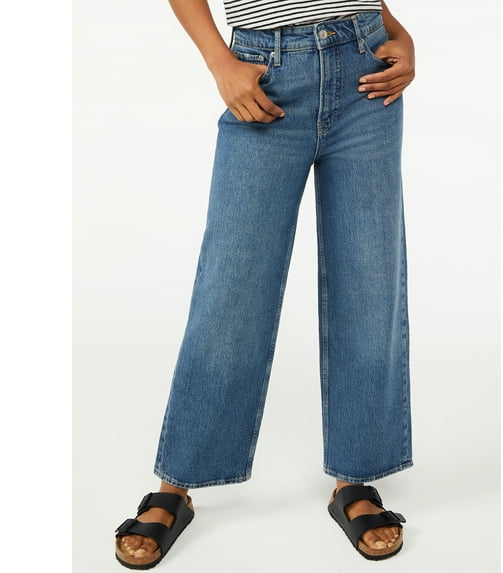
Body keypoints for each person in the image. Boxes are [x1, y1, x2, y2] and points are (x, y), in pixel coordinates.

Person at [115, 0, 415, 568]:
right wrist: (219, 62)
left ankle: (356, 478)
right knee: (231, 288)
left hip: (366, 70)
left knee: (369, 282)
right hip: (266, 70)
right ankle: (176, 483)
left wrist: (397, 30)